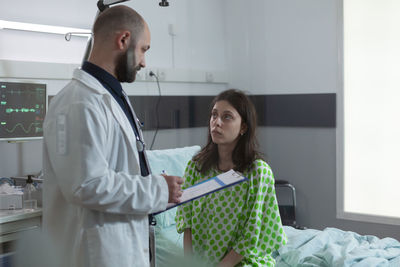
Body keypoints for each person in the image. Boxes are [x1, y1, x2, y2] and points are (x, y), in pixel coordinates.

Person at [42, 6, 183, 267]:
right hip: (95, 253)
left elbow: (118, 168)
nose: (144, 62)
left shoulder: (109, 95)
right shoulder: (79, 103)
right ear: (123, 40)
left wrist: (155, 184)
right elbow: (86, 185)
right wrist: (157, 188)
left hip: (119, 246)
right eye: (143, 50)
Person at [176, 89, 287, 266]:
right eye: (214, 115)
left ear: (243, 127)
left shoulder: (258, 173)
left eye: (227, 117)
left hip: (245, 261)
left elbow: (251, 236)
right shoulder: (196, 168)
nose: (216, 122)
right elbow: (186, 221)